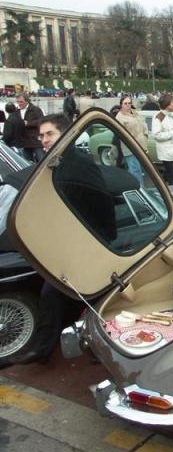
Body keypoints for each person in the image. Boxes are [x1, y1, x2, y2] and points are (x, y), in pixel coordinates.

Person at [8, 114, 115, 366]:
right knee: (57, 294)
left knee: (89, 297)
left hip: (88, 242)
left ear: (66, 134)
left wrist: (93, 239)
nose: (43, 139)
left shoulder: (79, 163)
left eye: (49, 134)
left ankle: (94, 348)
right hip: (70, 242)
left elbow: (100, 203)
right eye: (41, 135)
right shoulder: (57, 162)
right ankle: (44, 349)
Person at [115, 95, 149, 185]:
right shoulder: (119, 117)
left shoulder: (136, 113)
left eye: (129, 103)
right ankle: (140, 190)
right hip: (130, 147)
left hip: (142, 145)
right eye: (125, 103)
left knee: (140, 170)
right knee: (135, 170)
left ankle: (133, 187)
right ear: (121, 105)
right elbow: (119, 133)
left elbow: (144, 124)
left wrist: (146, 135)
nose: (127, 105)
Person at [151, 93, 173, 185]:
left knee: (168, 174)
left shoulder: (169, 115)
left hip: (172, 150)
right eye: (172, 102)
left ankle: (158, 187)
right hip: (166, 151)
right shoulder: (159, 117)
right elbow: (156, 135)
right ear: (167, 104)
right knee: (172, 176)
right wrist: (171, 134)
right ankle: (172, 196)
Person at [15, 93, 45, 162]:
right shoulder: (17, 111)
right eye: (17, 102)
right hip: (24, 142)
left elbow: (42, 121)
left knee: (42, 162)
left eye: (21, 102)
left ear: (27, 101)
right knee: (27, 164)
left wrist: (28, 123)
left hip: (35, 141)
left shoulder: (35, 109)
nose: (19, 104)